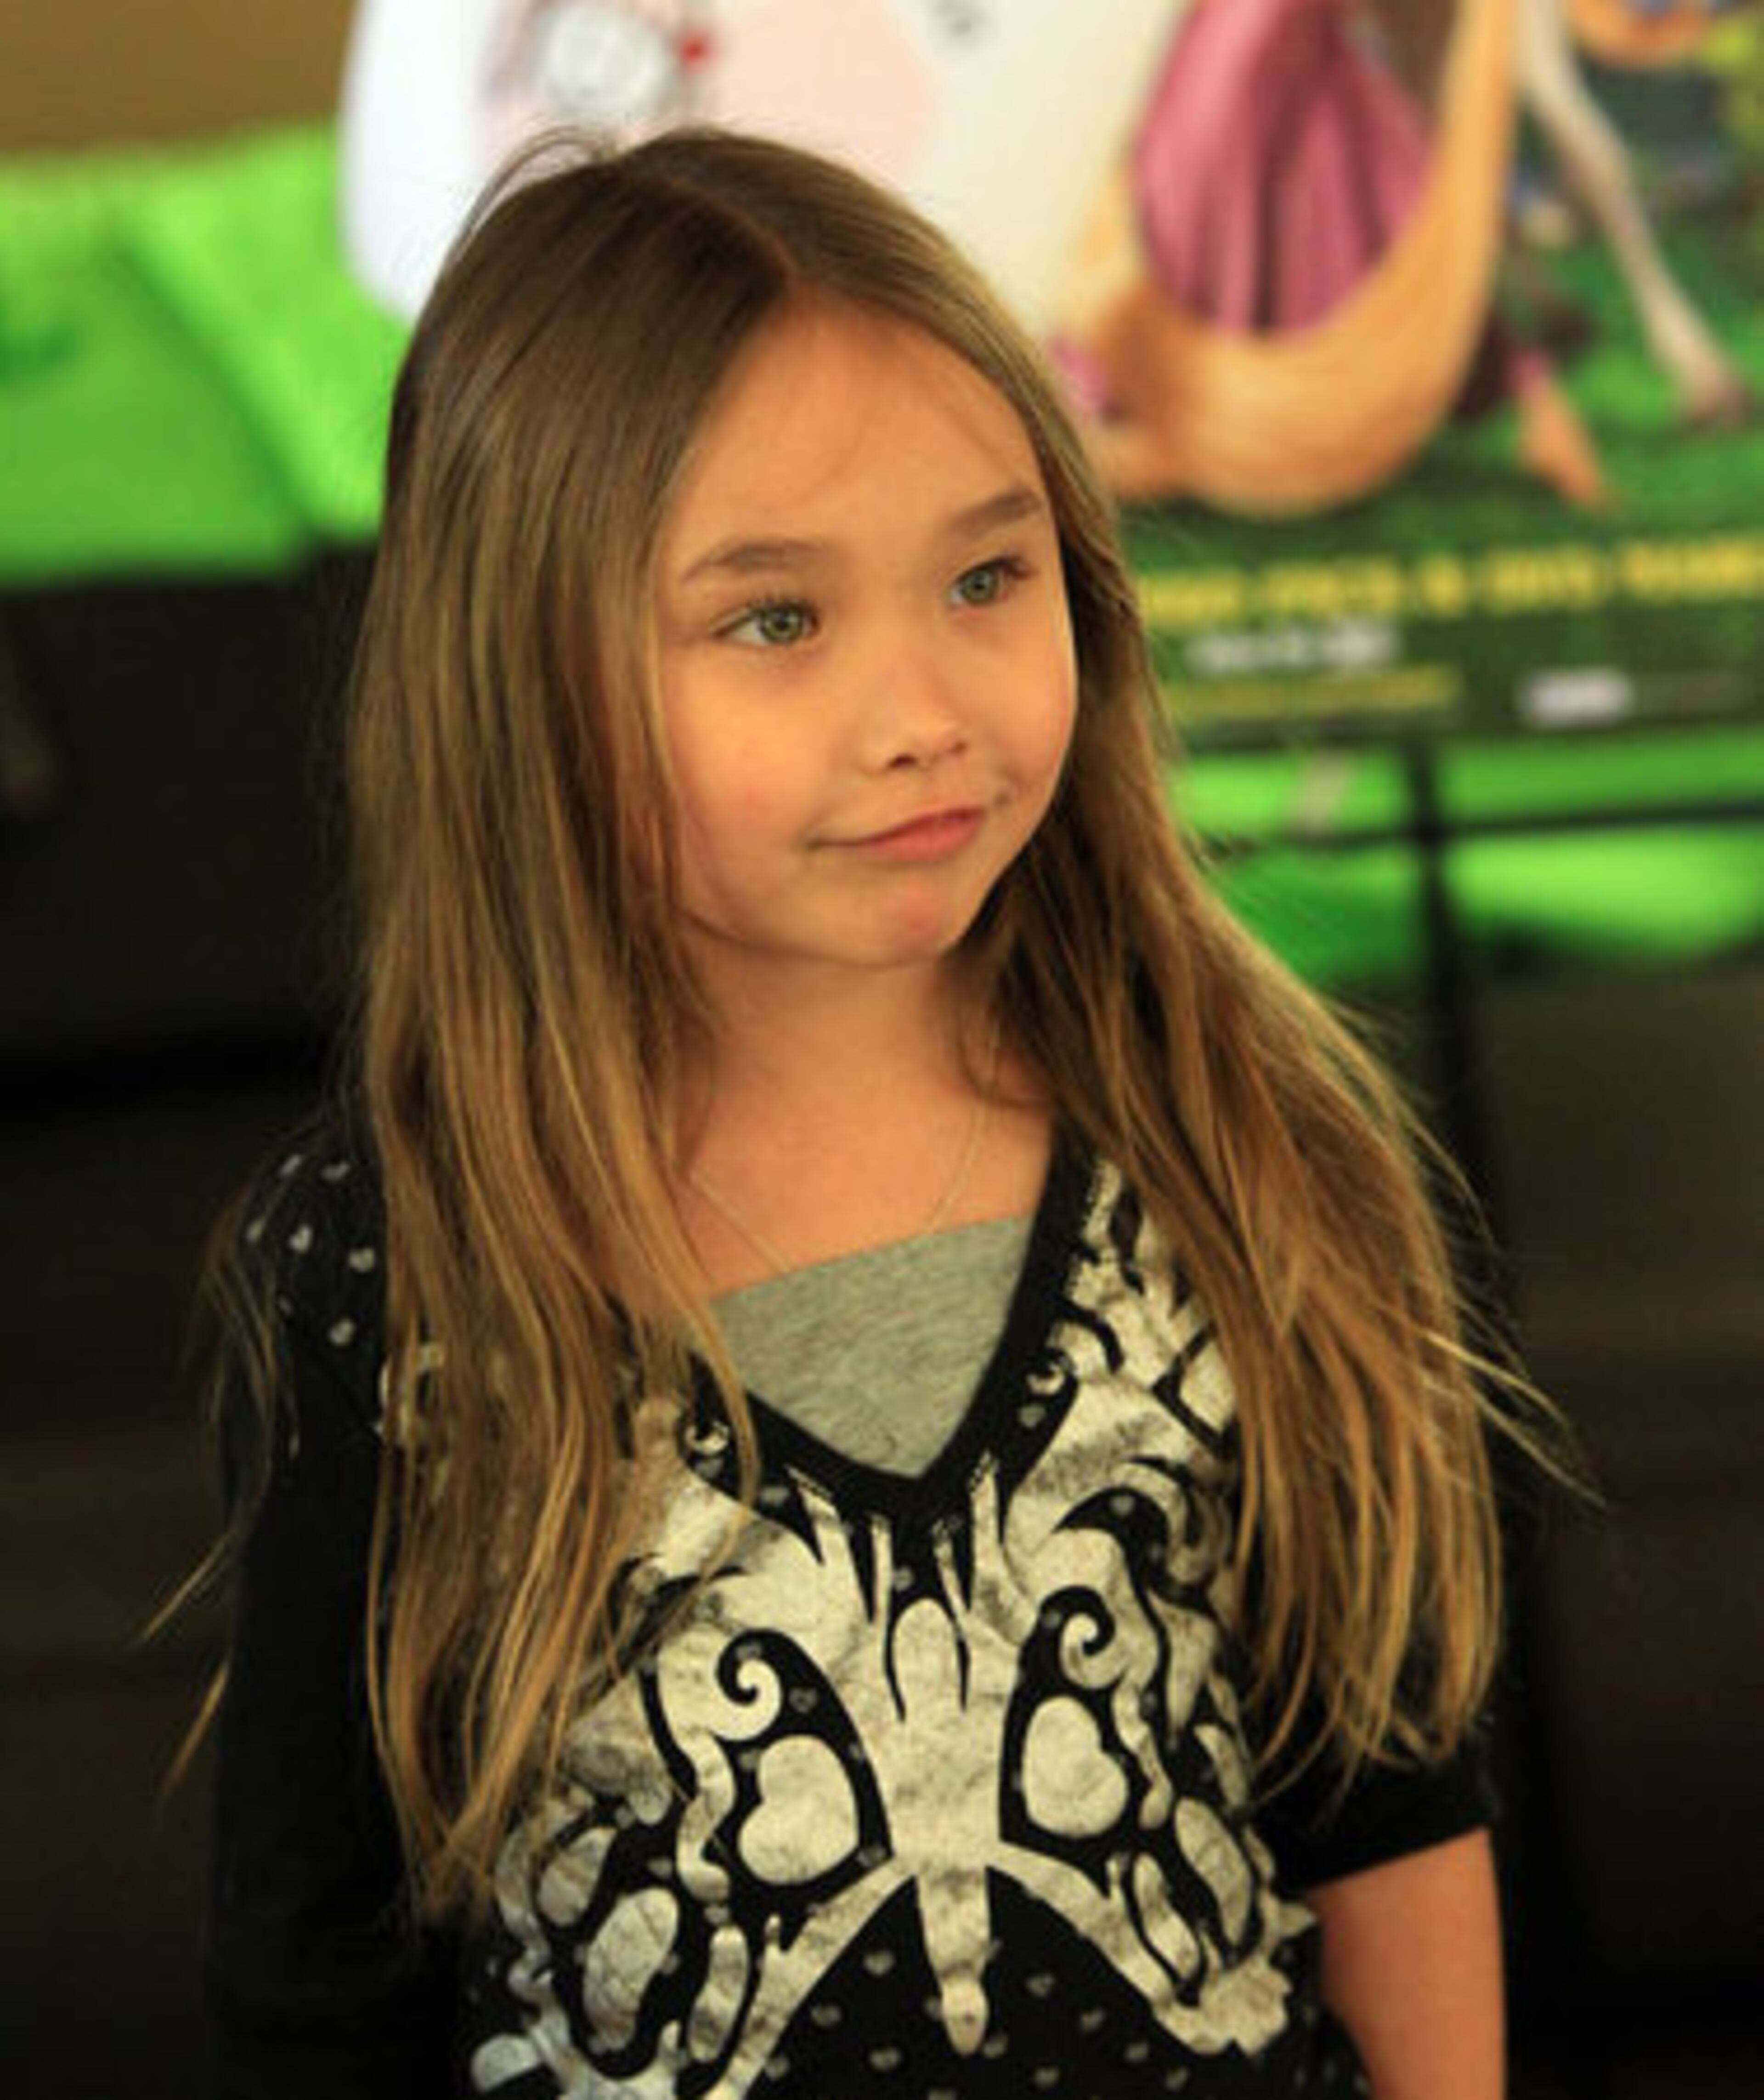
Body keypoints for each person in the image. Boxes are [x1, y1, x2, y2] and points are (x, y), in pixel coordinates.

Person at [205, 126, 1555, 2099]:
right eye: (776, 619)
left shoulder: (1239, 1135)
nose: (925, 713)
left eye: (987, 575)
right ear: (520, 680)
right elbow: (315, 1980)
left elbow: (1387, 1800)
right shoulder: (386, 1259)